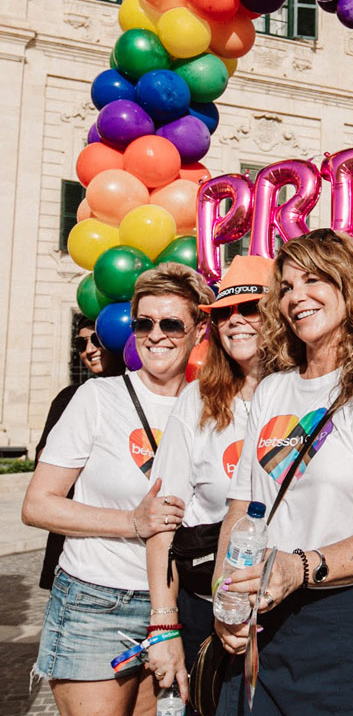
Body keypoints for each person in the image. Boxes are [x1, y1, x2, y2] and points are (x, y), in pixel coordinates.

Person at [213, 229, 353, 716]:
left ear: (349, 286)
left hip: (352, 631)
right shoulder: (272, 390)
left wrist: (297, 567)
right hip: (268, 626)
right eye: (285, 287)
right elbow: (241, 508)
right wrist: (228, 596)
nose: (295, 297)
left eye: (313, 280)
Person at [22, 263, 213, 716]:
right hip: (96, 600)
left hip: (177, 607)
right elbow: (37, 505)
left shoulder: (212, 405)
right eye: (144, 323)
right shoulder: (97, 399)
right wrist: (131, 522)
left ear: (199, 329)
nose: (156, 335)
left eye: (171, 323)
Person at [144, 255, 274, 699]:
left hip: (293, 610)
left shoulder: (307, 390)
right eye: (223, 314)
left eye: (250, 308)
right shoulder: (197, 400)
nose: (235, 321)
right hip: (208, 610)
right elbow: (163, 518)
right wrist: (164, 624)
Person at [35, 318, 125, 591]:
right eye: (80, 343)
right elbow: (46, 463)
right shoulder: (71, 397)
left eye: (97, 340)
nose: (89, 349)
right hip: (74, 542)